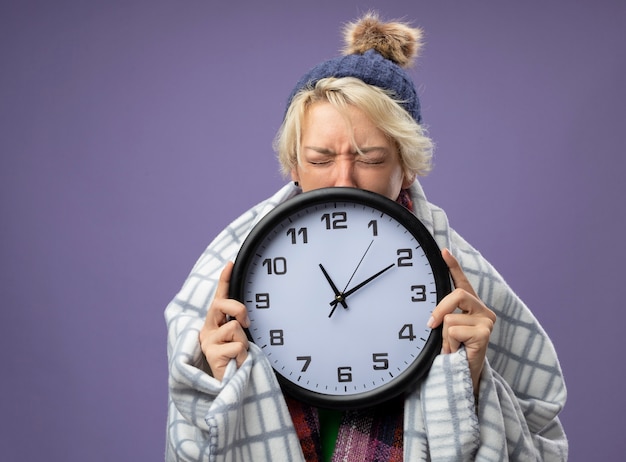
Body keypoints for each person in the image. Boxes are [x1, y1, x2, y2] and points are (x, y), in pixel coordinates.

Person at [165, 12, 568, 461]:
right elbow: (193, 426)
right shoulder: (229, 268)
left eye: (371, 158)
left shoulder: (468, 285)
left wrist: (472, 381)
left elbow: (542, 436)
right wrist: (217, 377)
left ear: (408, 165)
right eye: (320, 160)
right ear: (294, 165)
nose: (344, 180)